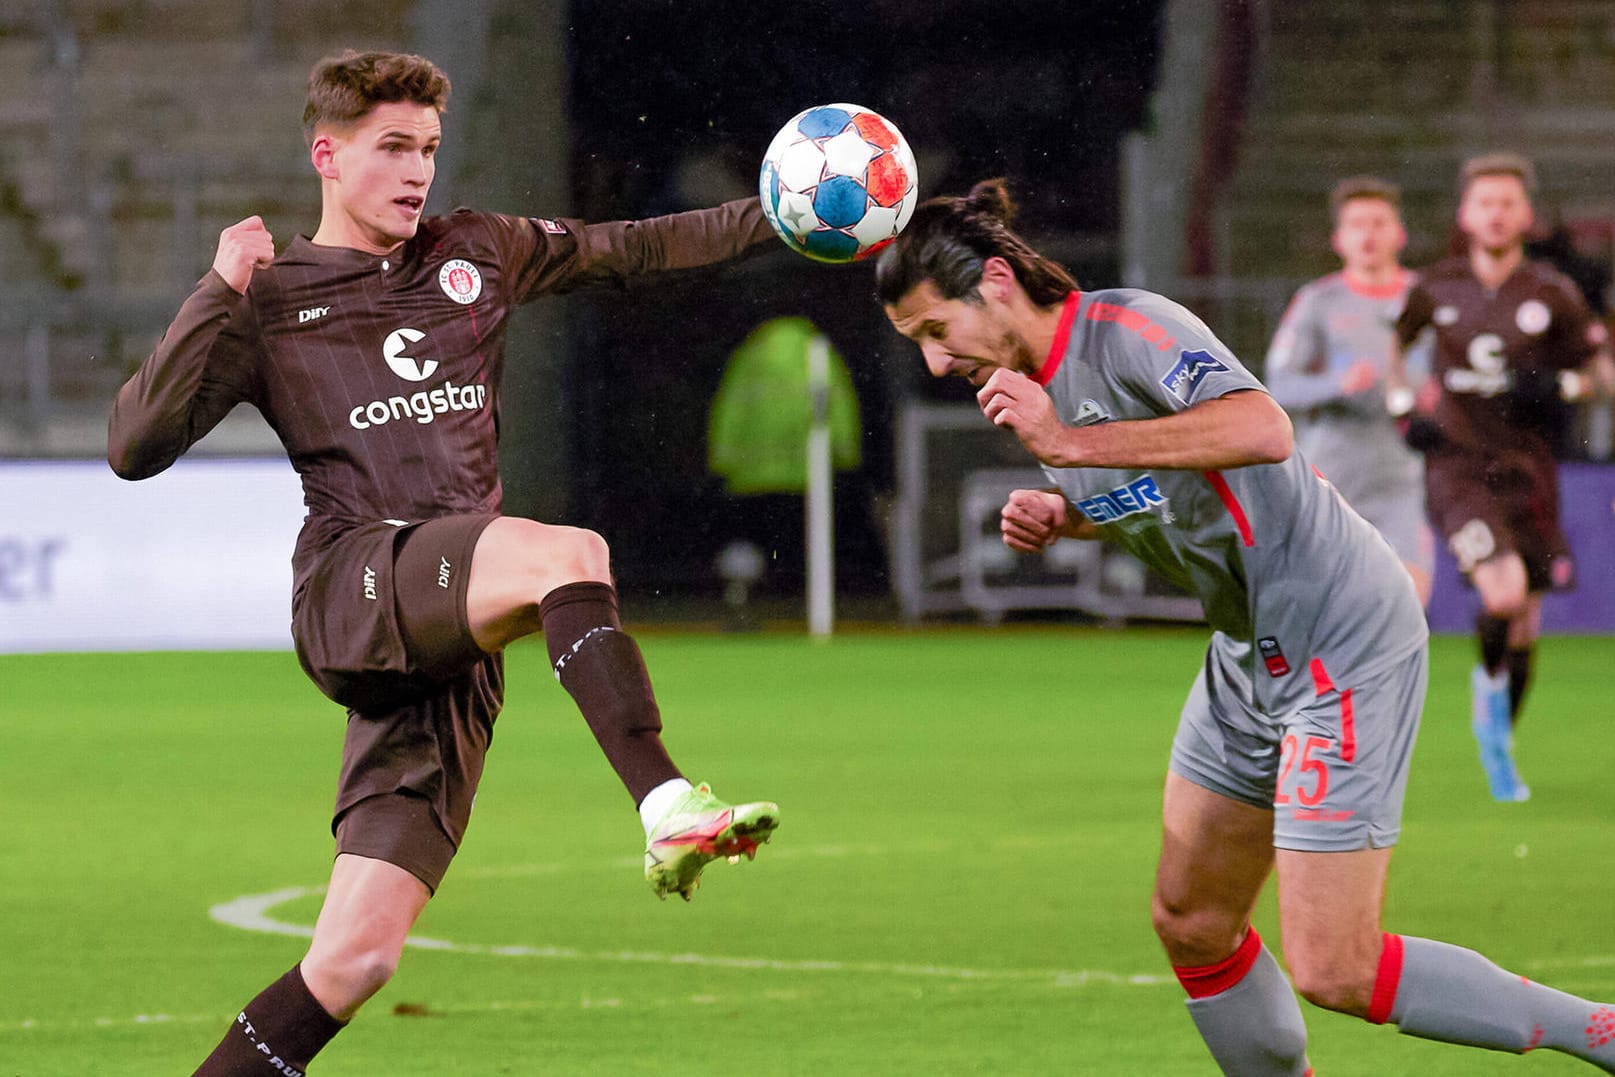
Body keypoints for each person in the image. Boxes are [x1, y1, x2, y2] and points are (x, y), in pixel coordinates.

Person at [107, 50, 780, 1076]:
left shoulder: (476, 251)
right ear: (327, 156)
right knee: (569, 551)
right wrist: (215, 287)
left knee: (354, 960)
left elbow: (632, 248)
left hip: (447, 644)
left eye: (426, 147)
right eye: (391, 149)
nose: (416, 170)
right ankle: (665, 802)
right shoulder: (268, 300)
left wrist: (786, 215)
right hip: (354, 583)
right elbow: (133, 446)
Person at [876, 178, 1615, 1075]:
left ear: (994, 281)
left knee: (1335, 967)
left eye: (932, 330)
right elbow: (1167, 491)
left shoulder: (1127, 328)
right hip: (1247, 652)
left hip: (1337, 635)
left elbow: (1260, 427)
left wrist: (1071, 450)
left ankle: (1599, 1034)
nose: (932, 360)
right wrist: (1064, 512)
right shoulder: (1031, 387)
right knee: (1189, 918)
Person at [1389, 152, 1615, 803]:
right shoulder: (1436, 286)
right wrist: (1403, 407)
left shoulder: (1552, 290)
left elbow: (1598, 375)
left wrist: (1564, 383)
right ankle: (1487, 718)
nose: (1494, 213)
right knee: (1503, 593)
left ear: (1525, 214)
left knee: (1525, 621)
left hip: (1530, 471)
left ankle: (1496, 733)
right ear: (1465, 213)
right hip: (1458, 466)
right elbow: (1393, 353)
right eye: (1483, 202)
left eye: (1506, 202)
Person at [1264, 176, 1434, 605]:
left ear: (1400, 234)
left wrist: (1433, 394)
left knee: (1410, 604)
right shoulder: (1317, 302)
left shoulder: (1428, 299)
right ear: (1339, 239)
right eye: (1357, 224)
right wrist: (1335, 385)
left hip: (1402, 477)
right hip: (1332, 479)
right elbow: (1278, 385)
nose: (1369, 234)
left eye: (1379, 222)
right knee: (1327, 609)